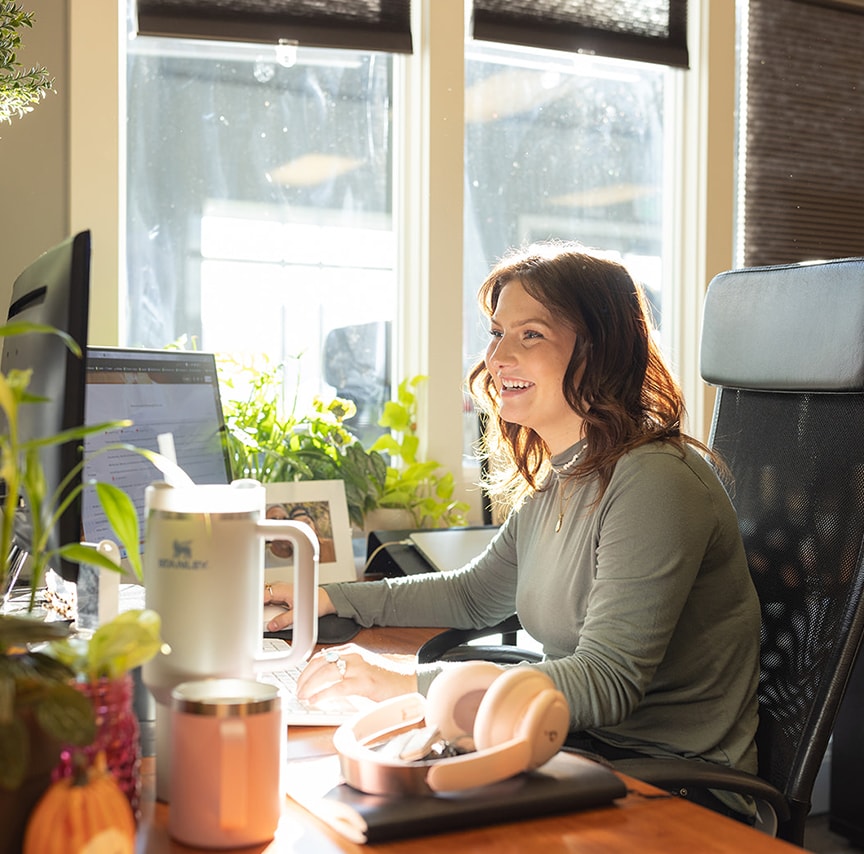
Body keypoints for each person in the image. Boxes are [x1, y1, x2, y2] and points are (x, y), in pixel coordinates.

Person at [264, 241, 761, 822]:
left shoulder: (655, 481)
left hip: (670, 790)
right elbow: (472, 594)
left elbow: (607, 682)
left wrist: (404, 682)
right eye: (497, 332)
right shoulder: (569, 473)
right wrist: (325, 596)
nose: (497, 356)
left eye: (531, 335)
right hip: (571, 751)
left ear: (599, 353)